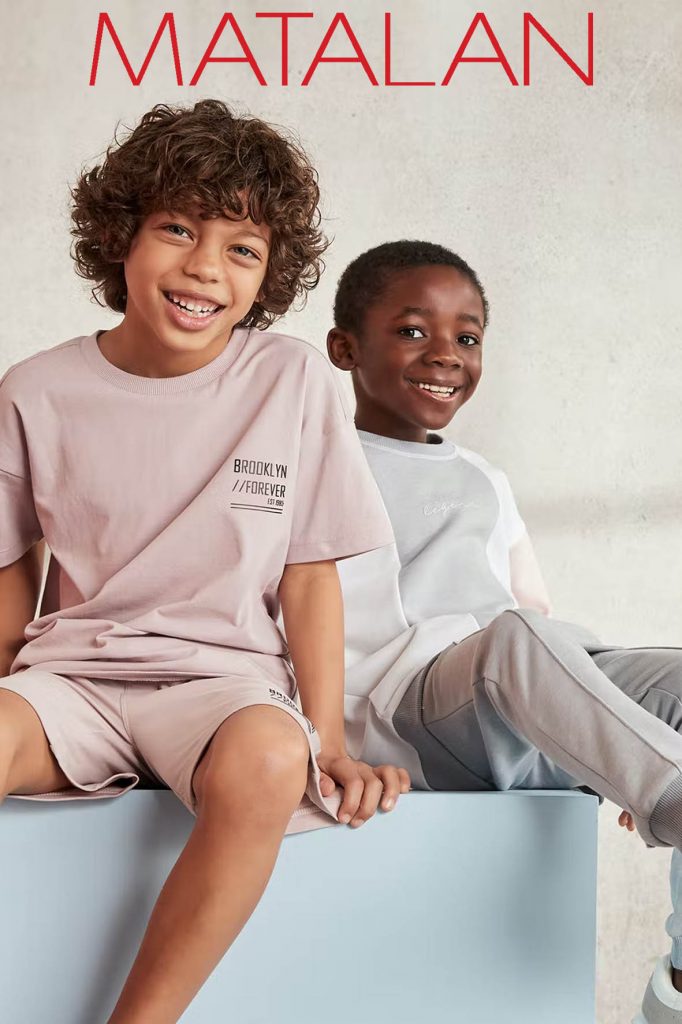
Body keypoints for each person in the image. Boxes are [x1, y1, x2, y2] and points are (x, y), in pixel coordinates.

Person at [0, 101, 410, 1024]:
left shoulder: (290, 380)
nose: (204, 268)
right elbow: (9, 563)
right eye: (178, 229)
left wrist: (328, 740)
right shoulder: (35, 390)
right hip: (72, 682)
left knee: (270, 759)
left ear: (268, 273)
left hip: (223, 686)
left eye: (242, 248)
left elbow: (309, 573)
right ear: (121, 237)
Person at [326, 239, 682, 1024]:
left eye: (468, 336)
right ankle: (672, 791)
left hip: (519, 698)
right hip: (408, 715)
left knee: (670, 683)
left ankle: (679, 982)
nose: (445, 354)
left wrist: (617, 739)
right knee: (514, 641)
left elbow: (539, 616)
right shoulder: (316, 461)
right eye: (413, 330)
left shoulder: (485, 479)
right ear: (344, 348)